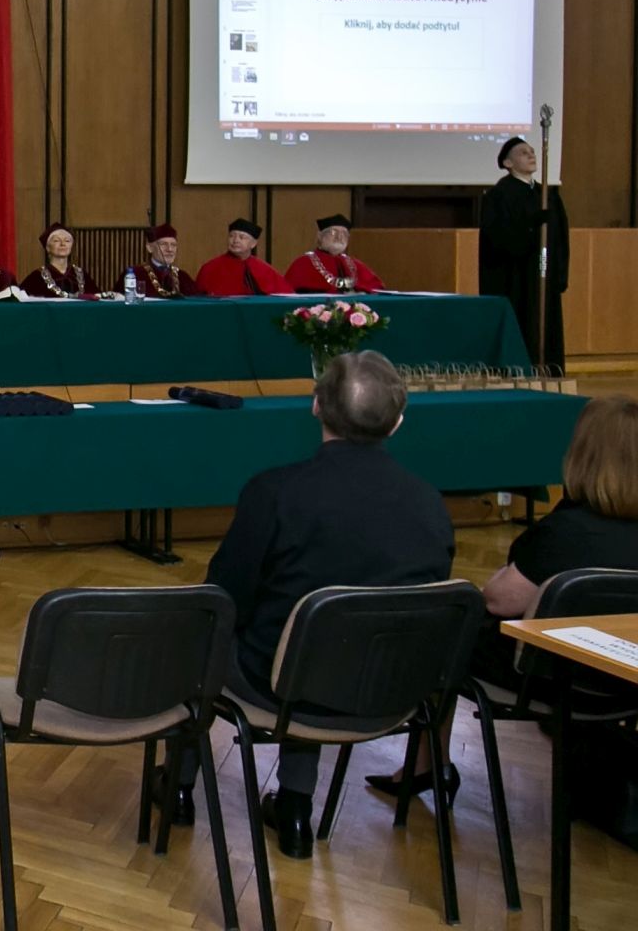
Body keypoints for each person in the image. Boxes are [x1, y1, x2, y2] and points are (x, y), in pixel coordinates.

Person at [168, 351, 454, 858]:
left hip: (279, 685)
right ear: (398, 420)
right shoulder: (430, 503)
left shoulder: (275, 492)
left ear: (317, 405)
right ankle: (295, 805)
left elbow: (224, 598)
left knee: (205, 630)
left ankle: (177, 788)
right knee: (322, 643)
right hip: (391, 689)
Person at [366, 394, 638, 801]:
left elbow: (498, 600)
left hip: (556, 681)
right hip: (626, 687)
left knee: (448, 624)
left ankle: (426, 763)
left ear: (582, 455)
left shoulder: (566, 534)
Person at [480, 135, 568, 370]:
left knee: (546, 325)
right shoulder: (500, 195)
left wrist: (559, 273)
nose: (531, 155)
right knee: (523, 323)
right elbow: (499, 239)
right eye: (523, 153)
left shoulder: (547, 195)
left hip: (544, 274)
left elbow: (561, 239)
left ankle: (548, 370)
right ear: (508, 163)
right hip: (517, 278)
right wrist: (531, 225)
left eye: (532, 152)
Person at [283, 214, 385, 293]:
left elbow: (376, 289)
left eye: (344, 233)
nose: (339, 237)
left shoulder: (355, 264)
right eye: (333, 232)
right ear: (320, 236)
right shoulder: (303, 263)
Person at [195, 218, 293, 296]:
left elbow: (287, 295)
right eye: (231, 236)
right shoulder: (210, 268)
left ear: (253, 244)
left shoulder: (265, 269)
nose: (235, 240)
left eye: (242, 237)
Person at [18, 222, 94, 299]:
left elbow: (97, 298)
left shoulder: (82, 275)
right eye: (56, 241)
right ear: (48, 247)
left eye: (67, 241)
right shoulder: (36, 277)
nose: (63, 244)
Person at [131, 223, 203, 299]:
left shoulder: (183, 277)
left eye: (173, 245)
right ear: (150, 248)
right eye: (163, 244)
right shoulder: (135, 275)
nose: (169, 249)